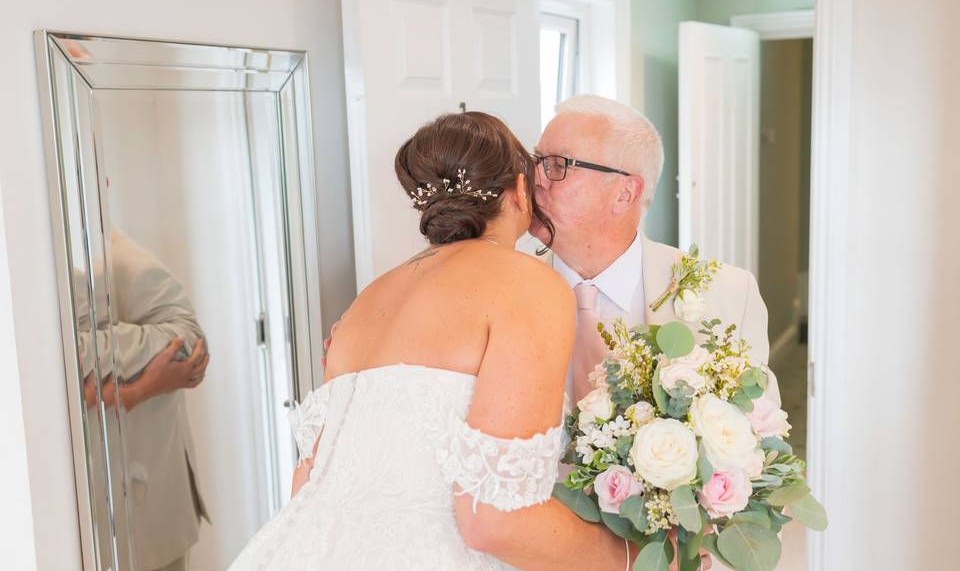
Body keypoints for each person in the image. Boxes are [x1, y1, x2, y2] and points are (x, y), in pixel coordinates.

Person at [230, 112, 636, 569]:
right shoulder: (528, 284)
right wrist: (632, 558)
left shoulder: (368, 300)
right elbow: (494, 521)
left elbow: (309, 483)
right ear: (521, 190)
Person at [531, 95, 781, 570]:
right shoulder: (499, 293)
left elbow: (755, 453)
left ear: (625, 193)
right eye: (536, 161)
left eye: (558, 165)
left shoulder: (727, 292)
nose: (535, 179)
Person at [79, 228, 211, 571]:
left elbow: (190, 343)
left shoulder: (117, 258)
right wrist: (136, 389)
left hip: (147, 508)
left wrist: (79, 348)